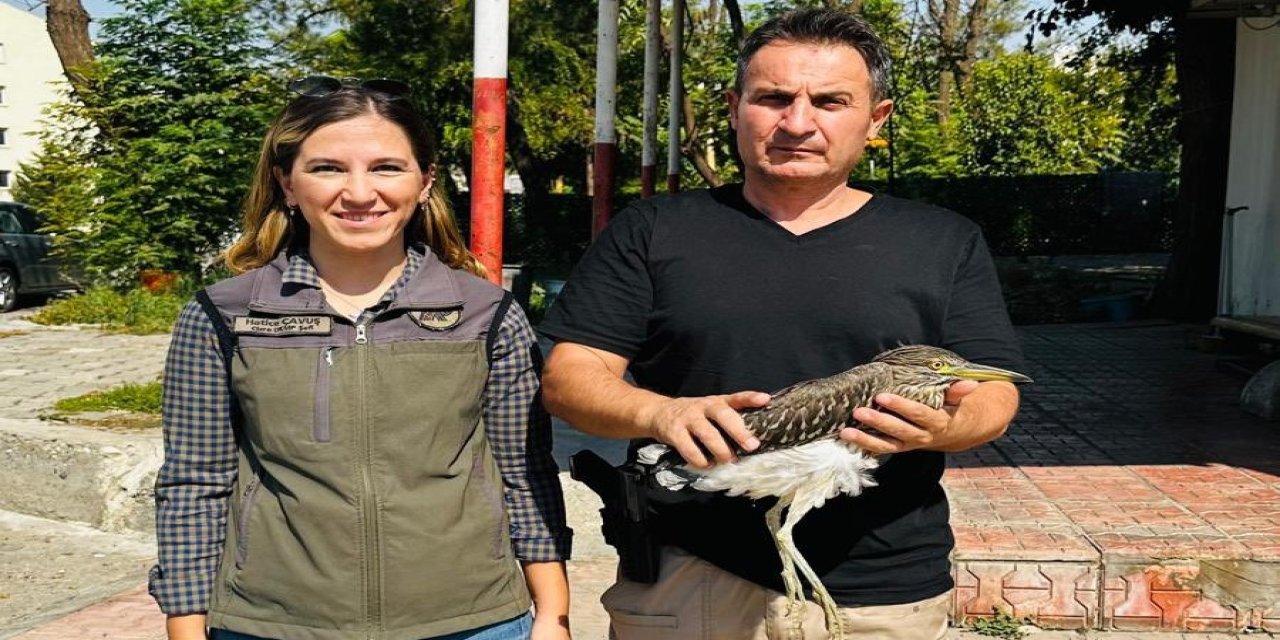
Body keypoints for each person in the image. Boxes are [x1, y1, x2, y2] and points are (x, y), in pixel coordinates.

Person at [540, 9, 1023, 640]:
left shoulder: (944, 241)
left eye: (829, 101)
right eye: (773, 98)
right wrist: (662, 414)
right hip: (686, 576)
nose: (798, 122)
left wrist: (944, 427)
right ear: (735, 106)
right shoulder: (652, 230)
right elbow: (570, 377)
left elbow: (995, 392)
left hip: (882, 590)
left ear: (876, 118)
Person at [149, 76, 572, 640]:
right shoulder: (221, 316)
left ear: (425, 182)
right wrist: (185, 625)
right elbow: (194, 483)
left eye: (386, 167)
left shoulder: (486, 313)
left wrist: (553, 618)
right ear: (287, 184)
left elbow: (525, 475)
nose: (358, 192)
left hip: (475, 622)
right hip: (271, 625)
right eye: (327, 168)